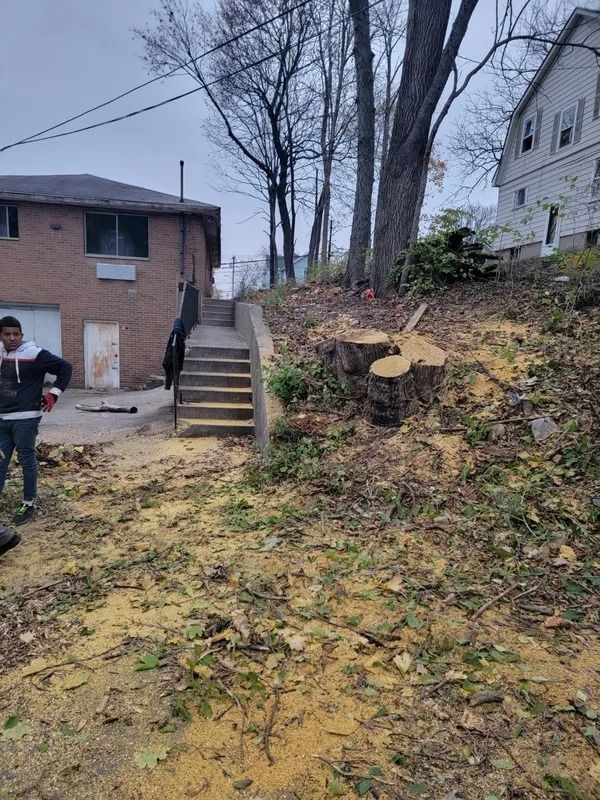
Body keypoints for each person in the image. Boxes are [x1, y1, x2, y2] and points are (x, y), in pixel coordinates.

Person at [0, 315, 72, 528]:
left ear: (22, 335)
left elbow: (65, 368)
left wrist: (54, 394)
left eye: (16, 334)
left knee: (27, 460)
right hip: (2, 419)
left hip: (26, 419)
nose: (12, 338)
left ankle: (28, 502)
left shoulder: (34, 353)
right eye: (7, 334)